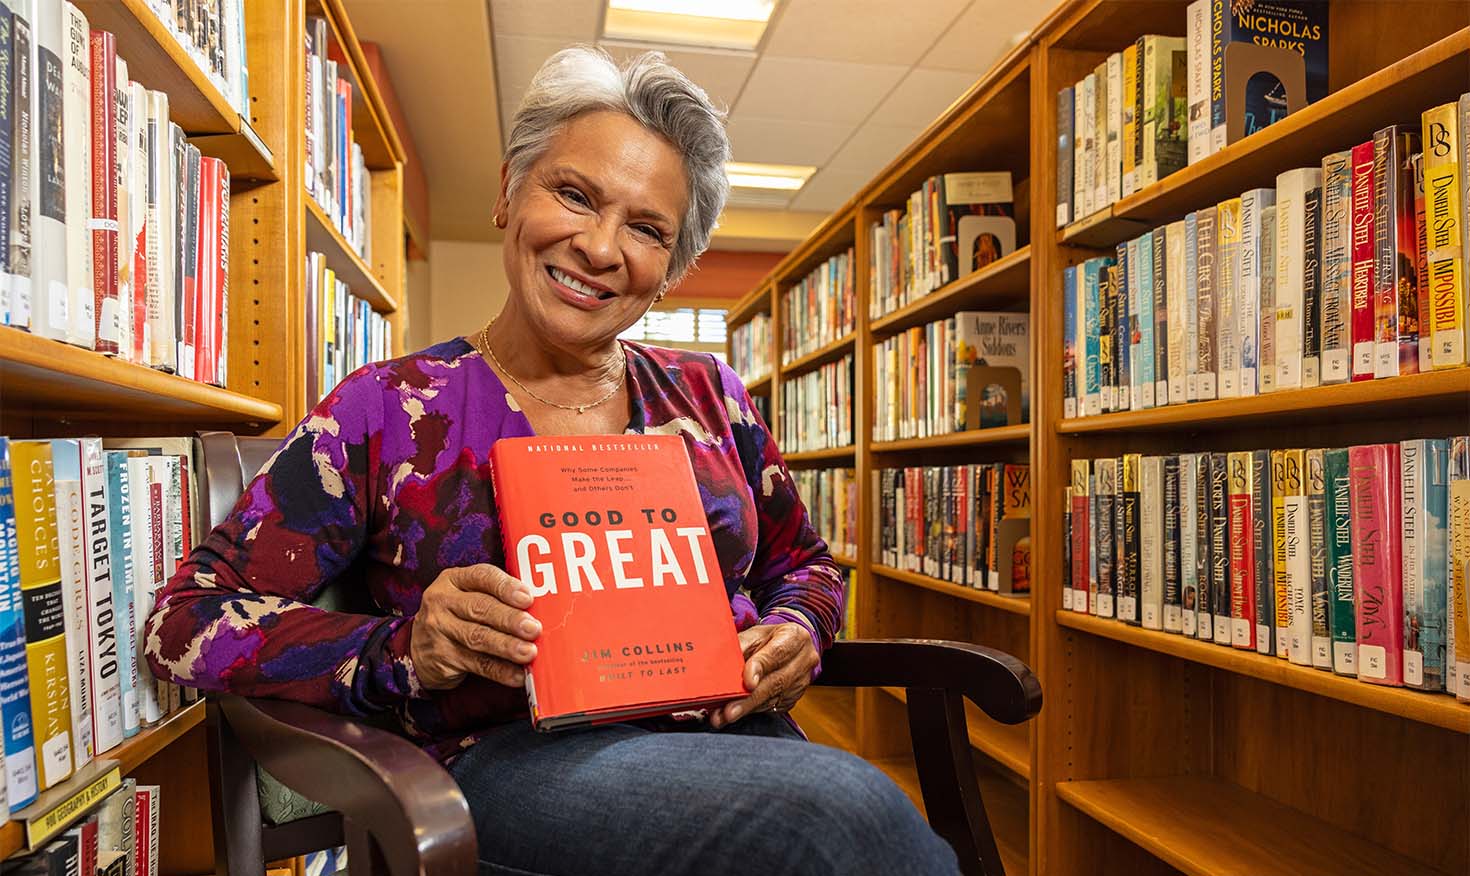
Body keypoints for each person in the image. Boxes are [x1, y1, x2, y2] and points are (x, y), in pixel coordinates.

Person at [144, 46, 960, 876]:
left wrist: (797, 631)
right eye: (573, 194)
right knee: (845, 819)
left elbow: (806, 565)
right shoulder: (387, 407)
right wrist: (405, 648)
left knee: (842, 822)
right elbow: (186, 623)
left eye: (647, 229)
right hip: (518, 764)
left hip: (737, 742)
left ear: (670, 269)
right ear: (508, 193)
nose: (602, 247)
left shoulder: (709, 392)